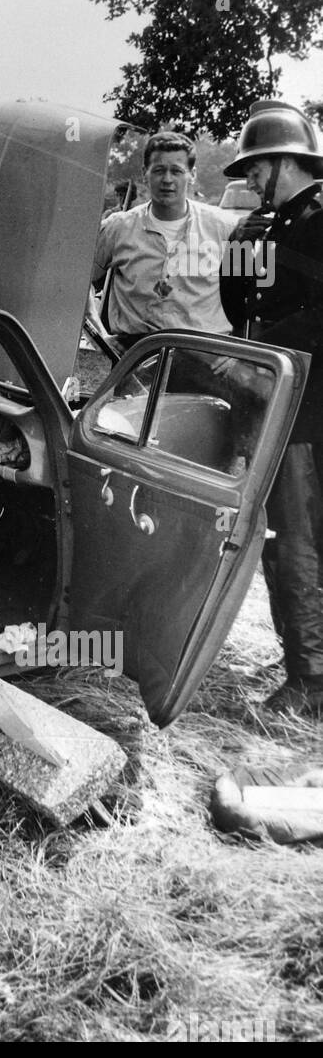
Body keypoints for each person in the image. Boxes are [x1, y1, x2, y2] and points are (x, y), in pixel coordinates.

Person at [220, 100, 323, 717]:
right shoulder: (259, 227)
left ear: (282, 161)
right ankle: (306, 657)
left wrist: (276, 347)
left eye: (255, 169)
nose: (250, 181)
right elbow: (237, 308)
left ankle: (311, 680)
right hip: (283, 403)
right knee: (288, 537)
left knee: (297, 539)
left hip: (309, 409)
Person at [92, 130, 238, 351]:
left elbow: (255, 295)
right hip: (135, 359)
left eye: (177, 171)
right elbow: (76, 281)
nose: (167, 180)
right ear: (145, 174)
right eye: (159, 170)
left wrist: (234, 351)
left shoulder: (225, 227)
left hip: (203, 358)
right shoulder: (118, 227)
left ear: (193, 174)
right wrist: (101, 336)